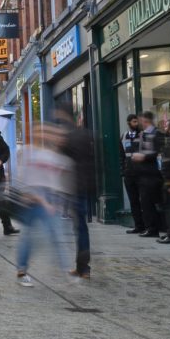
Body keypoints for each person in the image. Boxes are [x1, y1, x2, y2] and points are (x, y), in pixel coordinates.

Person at [12, 122, 72, 287]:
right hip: (33, 198)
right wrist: (40, 200)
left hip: (50, 197)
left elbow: (57, 177)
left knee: (53, 235)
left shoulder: (52, 155)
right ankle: (22, 270)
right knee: (31, 237)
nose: (44, 135)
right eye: (40, 131)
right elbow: (24, 178)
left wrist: (57, 199)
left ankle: (66, 270)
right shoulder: (27, 152)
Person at [59, 103, 95, 278]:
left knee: (79, 227)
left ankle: (83, 267)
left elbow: (61, 161)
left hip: (74, 185)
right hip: (84, 184)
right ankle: (83, 267)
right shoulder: (86, 134)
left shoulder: (68, 136)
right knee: (81, 226)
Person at [133, 110, 165, 238]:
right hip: (143, 173)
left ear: (146, 120)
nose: (140, 123)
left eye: (141, 120)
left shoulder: (156, 134)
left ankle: (154, 228)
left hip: (152, 174)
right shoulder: (143, 134)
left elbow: (158, 152)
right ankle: (150, 227)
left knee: (151, 201)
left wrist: (143, 157)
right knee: (145, 202)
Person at [118, 113, 145, 234]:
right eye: (134, 122)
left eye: (137, 121)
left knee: (144, 200)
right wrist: (123, 171)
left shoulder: (142, 135)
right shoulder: (123, 136)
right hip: (129, 174)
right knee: (133, 201)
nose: (137, 124)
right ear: (129, 123)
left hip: (141, 173)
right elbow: (121, 156)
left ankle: (148, 226)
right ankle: (138, 226)